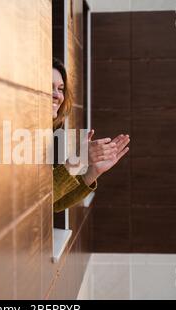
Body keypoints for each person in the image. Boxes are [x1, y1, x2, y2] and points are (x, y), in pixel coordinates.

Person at [52, 57, 130, 212]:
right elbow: (40, 201)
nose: (57, 95)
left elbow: (54, 204)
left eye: (60, 89)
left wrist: (93, 172)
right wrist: (78, 160)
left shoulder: (49, 133)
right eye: (50, 88)